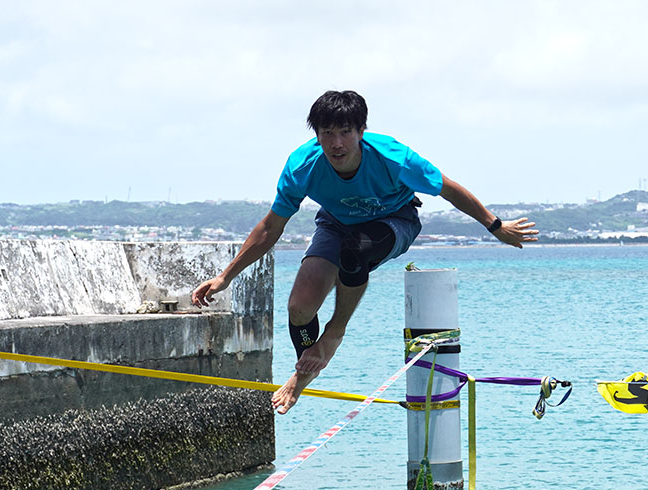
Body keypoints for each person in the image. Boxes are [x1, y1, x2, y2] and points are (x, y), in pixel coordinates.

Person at [192, 90, 538, 414]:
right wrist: (225, 277)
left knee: (355, 253)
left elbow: (448, 189)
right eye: (327, 133)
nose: (336, 143)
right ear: (316, 135)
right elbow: (270, 227)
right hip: (335, 223)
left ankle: (334, 332)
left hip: (394, 220)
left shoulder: (393, 158)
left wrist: (496, 227)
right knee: (298, 308)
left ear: (361, 132)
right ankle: (307, 367)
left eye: (345, 132)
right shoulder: (303, 166)